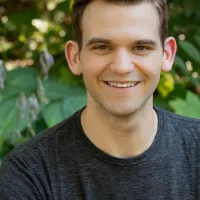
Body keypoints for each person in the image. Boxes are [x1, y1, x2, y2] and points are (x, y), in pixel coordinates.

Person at [0, 0, 200, 199]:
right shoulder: (29, 174)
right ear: (74, 57)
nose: (122, 67)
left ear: (167, 54)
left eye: (140, 47)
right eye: (102, 47)